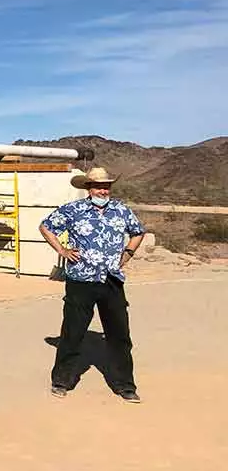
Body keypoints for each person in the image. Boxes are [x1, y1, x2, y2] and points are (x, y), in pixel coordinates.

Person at [39, 167, 146, 402]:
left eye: (106, 185)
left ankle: (125, 385)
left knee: (119, 334)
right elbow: (46, 226)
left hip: (112, 280)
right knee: (72, 332)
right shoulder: (73, 210)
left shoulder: (120, 210)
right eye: (98, 185)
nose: (103, 190)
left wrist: (127, 254)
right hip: (81, 280)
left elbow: (138, 232)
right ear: (88, 188)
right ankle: (62, 381)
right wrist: (62, 250)